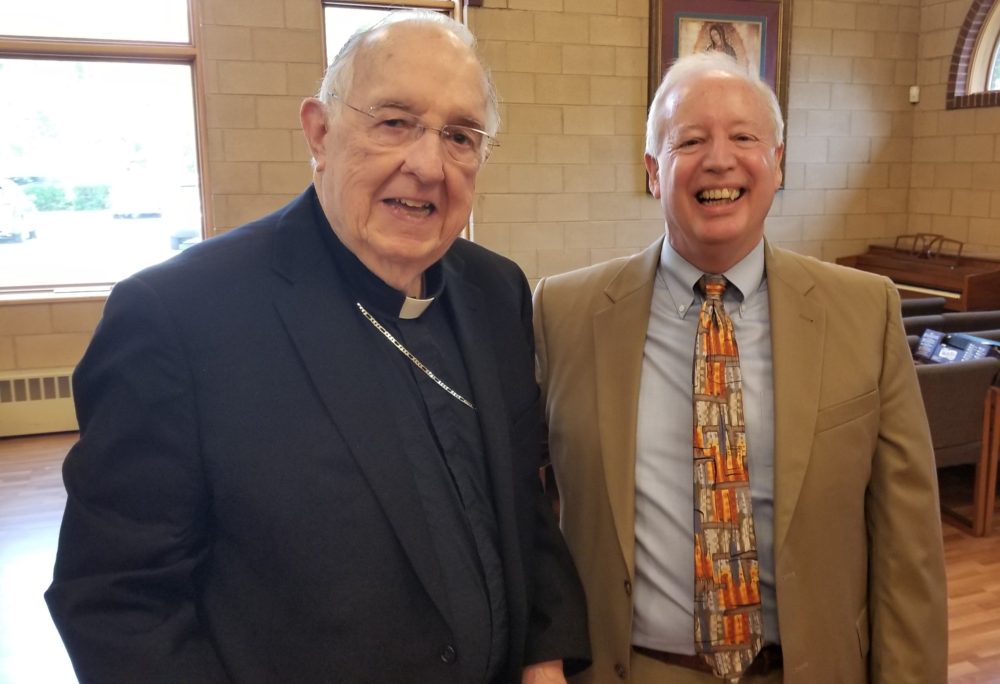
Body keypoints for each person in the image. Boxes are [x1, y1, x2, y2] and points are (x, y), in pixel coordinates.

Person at [45, 11, 590, 684]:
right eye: (394, 121)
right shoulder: (181, 318)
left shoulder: (494, 291)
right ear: (319, 132)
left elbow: (523, 509)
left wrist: (543, 660)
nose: (427, 165)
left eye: (460, 135)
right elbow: (117, 602)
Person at [532, 51, 947, 683]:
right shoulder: (562, 313)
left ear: (778, 162)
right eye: (689, 139)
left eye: (745, 137)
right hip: (633, 669)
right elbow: (521, 510)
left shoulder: (865, 311)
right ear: (652, 171)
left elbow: (907, 547)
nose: (719, 159)